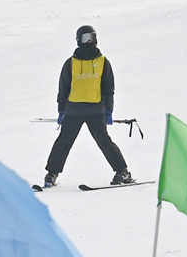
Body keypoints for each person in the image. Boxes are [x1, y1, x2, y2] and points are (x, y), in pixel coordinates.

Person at [42, 25, 131, 188]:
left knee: (104, 141)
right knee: (64, 142)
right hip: (73, 110)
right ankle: (52, 173)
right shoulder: (71, 63)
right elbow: (63, 88)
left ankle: (122, 171)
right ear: (78, 40)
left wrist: (108, 110)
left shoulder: (103, 62)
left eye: (92, 37)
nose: (89, 41)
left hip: (96, 110)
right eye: (85, 38)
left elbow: (108, 88)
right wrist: (61, 110)